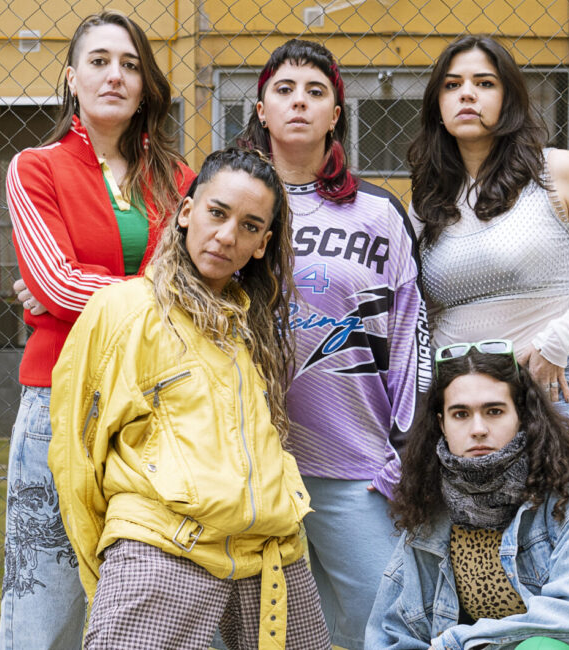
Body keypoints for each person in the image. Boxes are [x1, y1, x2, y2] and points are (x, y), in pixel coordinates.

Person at [48, 148, 331, 650]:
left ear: (263, 244)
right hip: (164, 549)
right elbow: (76, 459)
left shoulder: (252, 325)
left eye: (249, 226)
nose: (226, 236)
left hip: (269, 555)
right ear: (186, 212)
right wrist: (115, 566)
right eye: (217, 213)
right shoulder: (125, 311)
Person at [0, 11, 195, 649]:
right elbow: (56, 283)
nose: (115, 76)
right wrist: (152, 294)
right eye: (100, 61)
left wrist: (66, 295)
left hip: (159, 405)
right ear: (71, 78)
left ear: (145, 85)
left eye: (131, 65)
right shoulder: (35, 168)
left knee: (152, 600)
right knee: (44, 608)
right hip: (62, 401)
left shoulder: (179, 179)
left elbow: (202, 286)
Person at [236, 38, 431, 650]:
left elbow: (410, 333)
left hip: (355, 464)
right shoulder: (232, 203)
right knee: (261, 634)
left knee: (385, 625)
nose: (299, 102)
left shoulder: (378, 212)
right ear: (261, 110)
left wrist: (405, 450)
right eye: (284, 90)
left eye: (315, 92)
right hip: (249, 463)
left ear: (336, 115)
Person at [407, 36, 569, 448]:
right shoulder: (427, 199)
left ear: (509, 99)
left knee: (561, 496)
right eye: (452, 85)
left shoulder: (558, 172)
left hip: (544, 390)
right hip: (458, 407)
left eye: (484, 83)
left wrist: (556, 343)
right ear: (437, 105)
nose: (466, 94)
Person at [366, 341, 569, 650]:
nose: (478, 429)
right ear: (442, 424)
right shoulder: (429, 502)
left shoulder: (566, 496)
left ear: (521, 415)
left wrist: (460, 642)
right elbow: (392, 631)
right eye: (460, 414)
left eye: (494, 411)